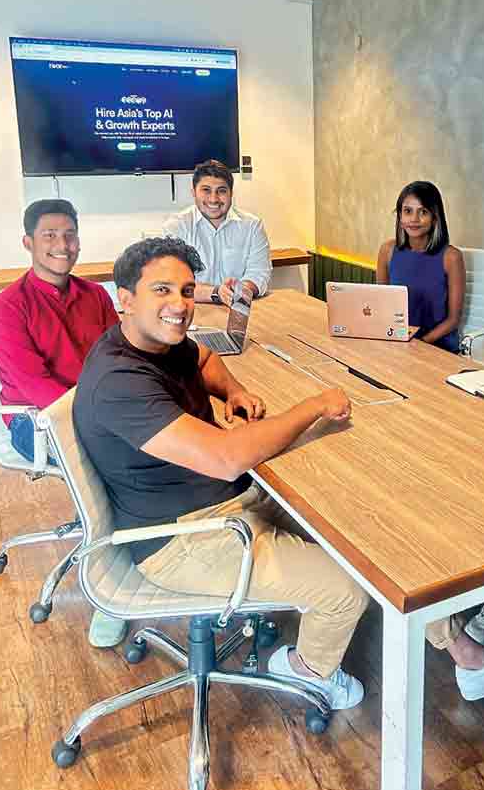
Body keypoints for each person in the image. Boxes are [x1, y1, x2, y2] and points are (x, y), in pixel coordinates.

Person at [73, 237, 369, 710]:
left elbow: (206, 359)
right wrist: (314, 405)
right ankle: (306, 672)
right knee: (346, 591)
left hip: (223, 498)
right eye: (162, 290)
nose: (179, 305)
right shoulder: (119, 381)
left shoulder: (159, 342)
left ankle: (452, 641)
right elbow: (226, 457)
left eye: (187, 291)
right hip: (182, 538)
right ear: (125, 299)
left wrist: (234, 391)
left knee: (358, 528)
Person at [0, 198, 126, 649]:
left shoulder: (96, 296)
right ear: (28, 242)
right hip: (36, 423)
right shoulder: (6, 308)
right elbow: (36, 386)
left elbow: (118, 355)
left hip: (99, 410)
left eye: (69, 235)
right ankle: (111, 592)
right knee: (120, 466)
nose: (62, 245)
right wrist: (114, 418)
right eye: (49, 235)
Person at [162, 159, 271, 308]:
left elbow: (259, 272)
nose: (214, 199)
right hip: (192, 310)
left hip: (239, 308)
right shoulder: (176, 226)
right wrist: (216, 293)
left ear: (231, 193)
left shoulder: (253, 226)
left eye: (222, 190)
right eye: (206, 190)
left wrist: (238, 291)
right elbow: (174, 281)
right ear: (193, 193)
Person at [376, 181, 465, 353]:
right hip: (398, 344)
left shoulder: (451, 257)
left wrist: (420, 343)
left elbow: (453, 320)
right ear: (400, 217)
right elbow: (382, 304)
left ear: (435, 217)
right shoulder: (387, 250)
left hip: (437, 348)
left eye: (423, 212)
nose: (414, 219)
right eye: (408, 211)